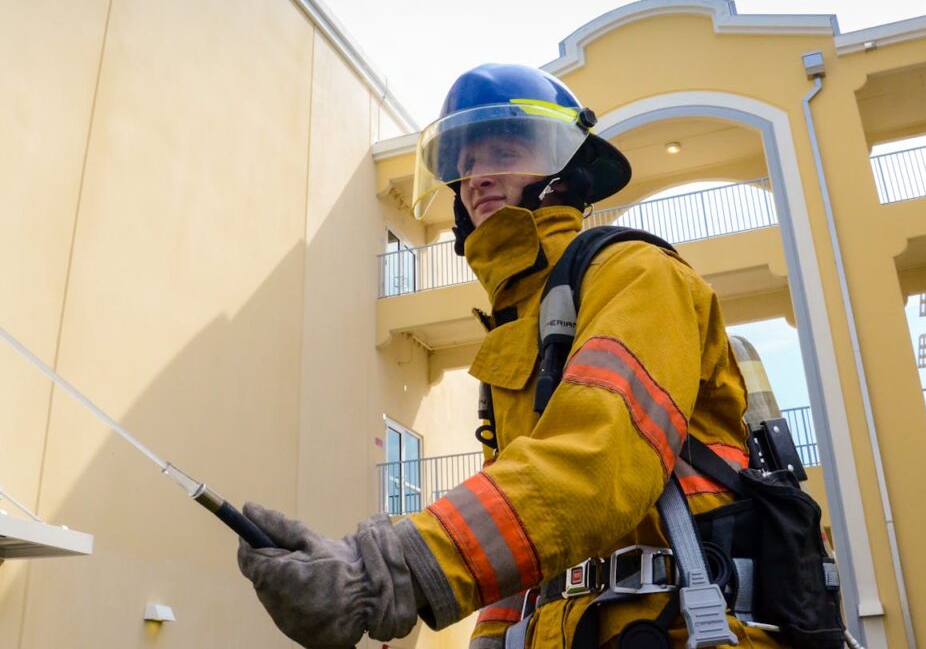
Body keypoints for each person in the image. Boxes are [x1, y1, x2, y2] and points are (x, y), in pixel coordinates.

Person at [237, 63, 784, 648]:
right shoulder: (519, 324)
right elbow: (524, 537)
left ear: (563, 165)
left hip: (683, 629)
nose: (476, 178)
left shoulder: (636, 275)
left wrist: (383, 571)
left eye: (501, 151)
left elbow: (593, 466)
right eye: (465, 164)